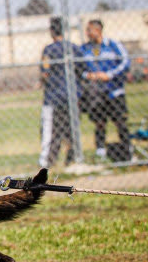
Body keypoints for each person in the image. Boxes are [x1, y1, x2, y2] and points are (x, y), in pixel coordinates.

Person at [80, 19, 131, 161]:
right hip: (95, 93)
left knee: (120, 121)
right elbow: (78, 69)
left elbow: (126, 62)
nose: (87, 33)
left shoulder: (112, 45)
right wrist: (88, 75)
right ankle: (101, 153)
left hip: (115, 91)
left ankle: (127, 150)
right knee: (99, 123)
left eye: (89, 30)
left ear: (98, 30)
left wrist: (109, 75)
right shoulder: (84, 49)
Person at [38, 17, 82, 168]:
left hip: (53, 96)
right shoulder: (74, 48)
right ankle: (74, 157)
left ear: (52, 31)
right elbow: (83, 70)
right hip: (72, 95)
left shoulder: (49, 49)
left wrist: (44, 80)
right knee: (71, 128)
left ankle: (46, 162)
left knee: (49, 129)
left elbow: (45, 72)